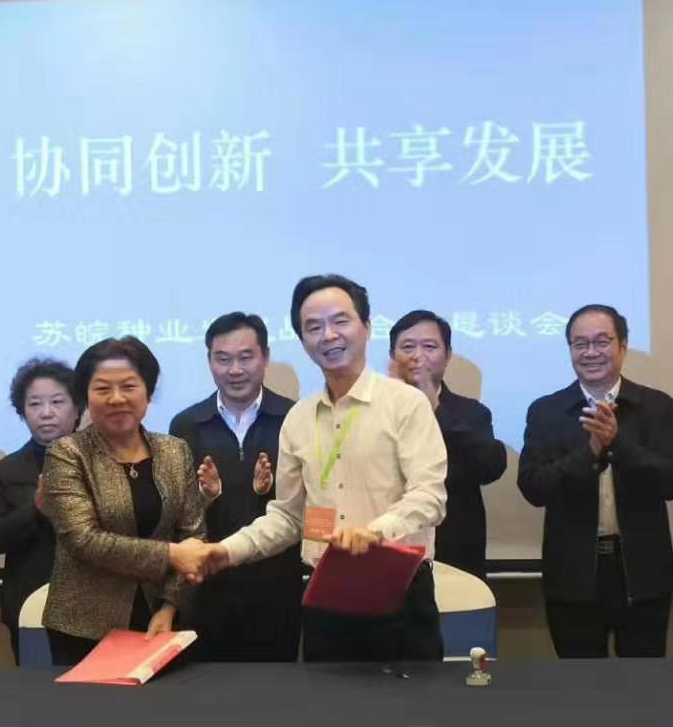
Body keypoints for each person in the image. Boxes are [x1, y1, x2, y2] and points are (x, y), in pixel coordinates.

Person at [204, 274, 449, 662]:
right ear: (303, 340)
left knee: (411, 703)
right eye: (313, 327)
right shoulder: (298, 418)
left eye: (340, 321)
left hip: (398, 593)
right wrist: (226, 551)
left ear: (366, 327)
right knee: (326, 701)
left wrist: (373, 533)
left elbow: (430, 497)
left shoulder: (406, 404)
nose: (328, 335)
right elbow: (288, 516)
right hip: (326, 597)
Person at [517, 304, 673, 659]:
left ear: (623, 346)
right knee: (580, 684)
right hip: (572, 576)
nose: (591, 352)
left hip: (643, 574)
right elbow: (533, 487)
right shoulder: (547, 411)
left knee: (642, 682)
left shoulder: (655, 406)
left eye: (601, 341)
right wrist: (590, 452)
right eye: (580, 344)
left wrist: (618, 444)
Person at [40, 337, 210, 665]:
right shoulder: (66, 454)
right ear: (85, 397)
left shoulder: (175, 451)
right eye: (103, 389)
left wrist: (170, 606)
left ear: (148, 392)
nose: (117, 398)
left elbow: (193, 535)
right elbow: (83, 540)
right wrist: (171, 554)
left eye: (129, 386)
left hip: (160, 624)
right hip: (84, 628)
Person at [168, 313, 305, 662]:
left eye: (246, 357)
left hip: (278, 587)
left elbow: (305, 505)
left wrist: (267, 492)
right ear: (209, 361)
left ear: (265, 357)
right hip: (207, 589)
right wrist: (205, 496)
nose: (235, 370)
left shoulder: (295, 418)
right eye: (223, 359)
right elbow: (177, 513)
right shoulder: (187, 425)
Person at [388, 310, 507, 579]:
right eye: (408, 347)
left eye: (430, 347)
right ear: (393, 356)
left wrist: (433, 406)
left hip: (455, 553)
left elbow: (490, 467)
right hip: (387, 546)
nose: (418, 355)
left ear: (448, 355)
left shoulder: (472, 413)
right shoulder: (371, 409)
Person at [0, 357, 79, 664]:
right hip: (29, 606)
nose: (46, 413)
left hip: (94, 604)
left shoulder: (100, 462)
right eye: (35, 404)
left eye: (57, 402)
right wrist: (35, 511)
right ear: (22, 412)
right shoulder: (9, 468)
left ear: (77, 408)